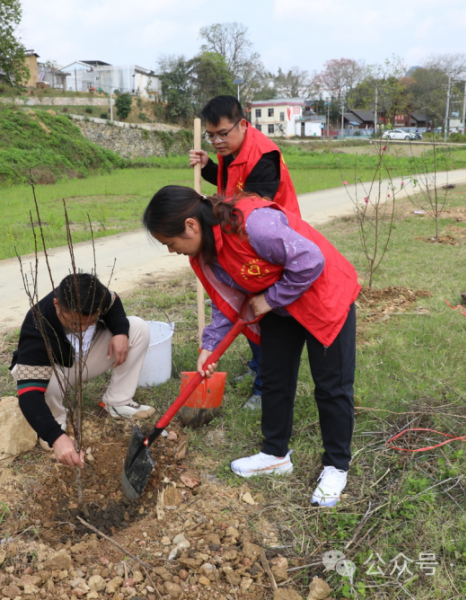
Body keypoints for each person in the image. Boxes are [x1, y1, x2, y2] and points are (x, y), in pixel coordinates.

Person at [142, 186, 360, 507]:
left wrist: (270, 299)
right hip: (276, 303)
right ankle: (274, 455)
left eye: (170, 243)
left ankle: (336, 466)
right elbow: (225, 298)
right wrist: (209, 346)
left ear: (190, 226)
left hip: (321, 296)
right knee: (275, 379)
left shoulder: (254, 225)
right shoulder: (205, 253)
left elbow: (310, 260)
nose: (172, 251)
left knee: (331, 386)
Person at [189, 95, 300, 411]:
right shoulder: (231, 149)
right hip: (241, 241)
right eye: (211, 135)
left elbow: (250, 210)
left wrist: (206, 210)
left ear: (243, 124)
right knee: (243, 308)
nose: (216, 141)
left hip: (268, 244)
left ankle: (265, 387)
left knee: (262, 315)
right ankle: (256, 369)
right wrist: (209, 166)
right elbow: (229, 184)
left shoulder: (264, 156)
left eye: (222, 133)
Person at [10, 274, 155, 466]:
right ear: (57, 305)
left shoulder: (96, 296)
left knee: (137, 328)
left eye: (91, 321)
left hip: (86, 360)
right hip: (56, 370)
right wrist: (55, 436)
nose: (83, 329)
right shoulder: (38, 323)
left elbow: (113, 302)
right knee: (36, 374)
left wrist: (120, 331)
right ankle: (55, 421)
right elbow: (29, 394)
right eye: (76, 323)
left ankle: (118, 402)